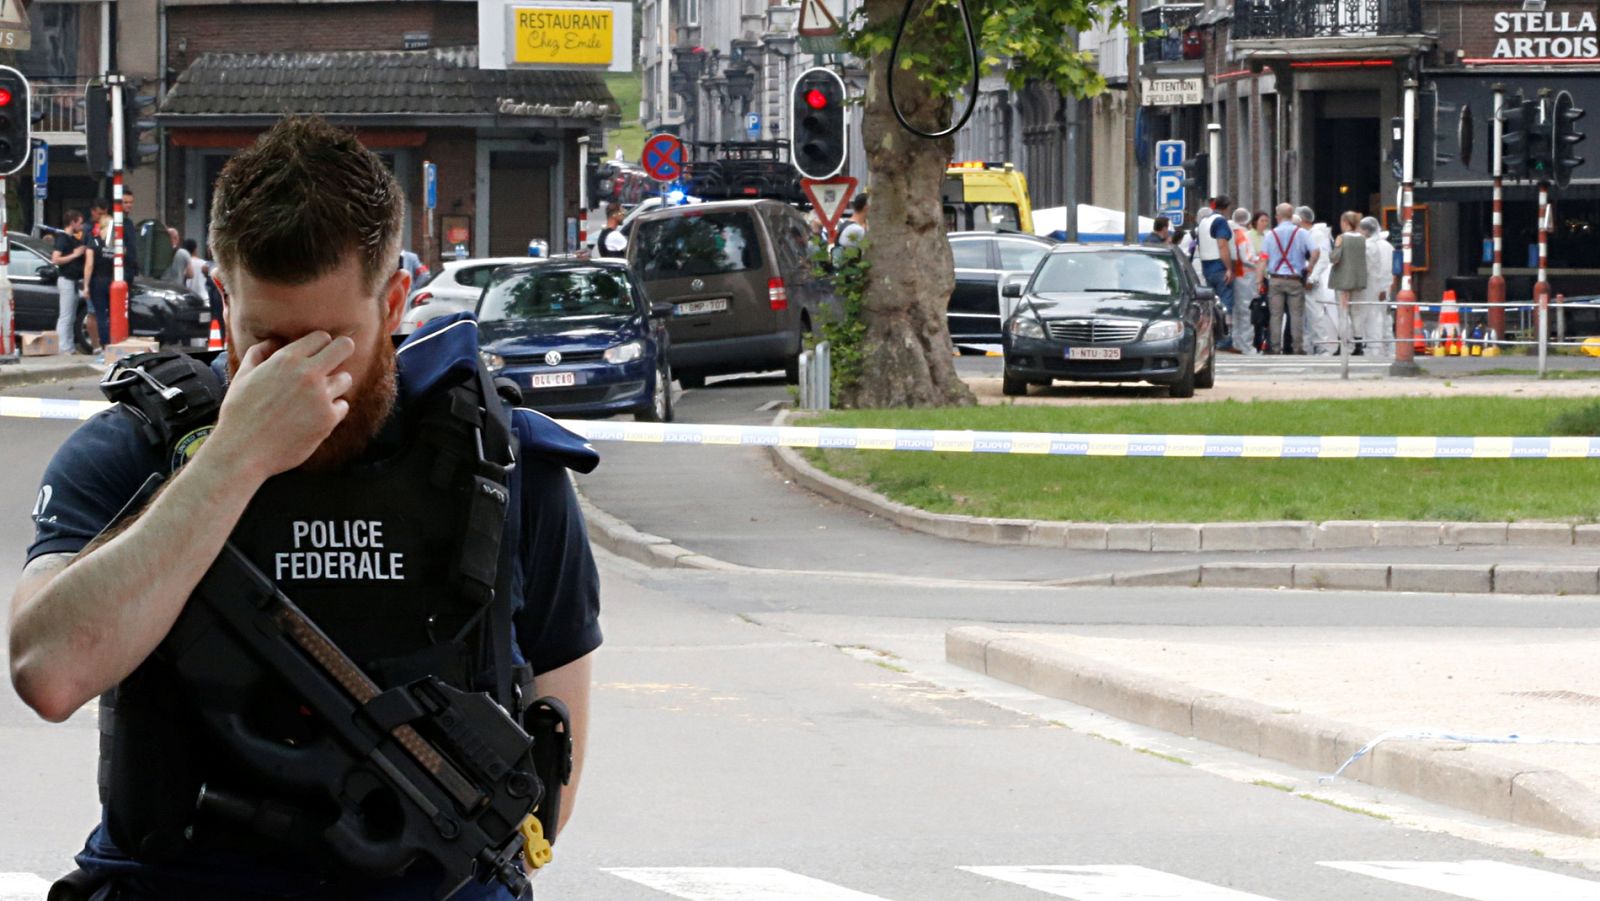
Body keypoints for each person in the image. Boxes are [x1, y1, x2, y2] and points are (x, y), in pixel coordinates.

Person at [11, 117, 600, 901]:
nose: (296, 373)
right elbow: (46, 671)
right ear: (224, 297)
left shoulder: (503, 465)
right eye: (267, 338)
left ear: (394, 302)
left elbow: (548, 773)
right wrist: (231, 459)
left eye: (329, 341)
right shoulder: (135, 453)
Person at [1259, 202, 1311, 355]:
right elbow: (1315, 251)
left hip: (1275, 279)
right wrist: (1309, 268)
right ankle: (1297, 347)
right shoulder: (1301, 233)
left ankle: (1274, 348)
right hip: (1295, 279)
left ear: (1278, 216)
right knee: (1296, 315)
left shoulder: (1270, 235)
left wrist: (1258, 280)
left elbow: (1262, 258)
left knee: (1275, 315)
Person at [1195, 196, 1236, 350]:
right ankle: (1224, 338)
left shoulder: (1204, 222)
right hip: (1219, 266)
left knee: (1211, 304)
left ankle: (1213, 336)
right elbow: (1222, 244)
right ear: (1227, 207)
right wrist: (1229, 268)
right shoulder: (1220, 221)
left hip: (1206, 266)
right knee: (1225, 304)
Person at [1327, 211, 1367, 356]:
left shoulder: (1341, 238)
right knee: (1356, 313)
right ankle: (1358, 345)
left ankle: (1342, 344)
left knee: (1342, 313)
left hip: (1343, 281)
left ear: (1345, 222)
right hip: (1358, 281)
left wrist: (1334, 249)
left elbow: (1334, 258)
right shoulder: (1363, 239)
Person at [1299, 206, 1335, 355]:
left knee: (1316, 315)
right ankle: (1309, 346)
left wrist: (1312, 278)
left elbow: (1323, 259)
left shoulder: (1317, 235)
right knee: (1307, 316)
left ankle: (1323, 347)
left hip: (1313, 280)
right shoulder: (1308, 234)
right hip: (1307, 278)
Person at [51, 210, 88, 353]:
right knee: (66, 315)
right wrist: (75, 254)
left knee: (71, 316)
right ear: (72, 222)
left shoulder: (73, 239)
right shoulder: (62, 239)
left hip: (73, 281)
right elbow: (55, 259)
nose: (82, 226)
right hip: (66, 280)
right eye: (80, 222)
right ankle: (62, 347)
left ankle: (69, 346)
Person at [80, 199, 114, 351]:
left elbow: (89, 265)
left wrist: (86, 286)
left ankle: (104, 345)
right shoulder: (115, 244)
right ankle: (115, 343)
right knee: (112, 314)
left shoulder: (94, 242)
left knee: (99, 314)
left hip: (97, 281)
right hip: (112, 281)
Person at [1358, 216, 1395, 358]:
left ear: (1366, 230)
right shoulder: (1388, 246)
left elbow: (1370, 269)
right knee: (1385, 320)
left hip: (1371, 288)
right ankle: (1390, 350)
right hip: (1386, 289)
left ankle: (1374, 349)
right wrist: (1388, 289)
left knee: (1370, 319)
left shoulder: (1368, 246)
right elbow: (1395, 271)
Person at [1228, 208, 1258, 356]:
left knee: (1237, 312)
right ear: (1248, 220)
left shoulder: (1231, 233)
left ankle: (1237, 343)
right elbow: (1247, 258)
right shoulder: (1243, 235)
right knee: (1247, 312)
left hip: (1235, 276)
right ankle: (1247, 346)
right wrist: (1261, 261)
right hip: (1245, 277)